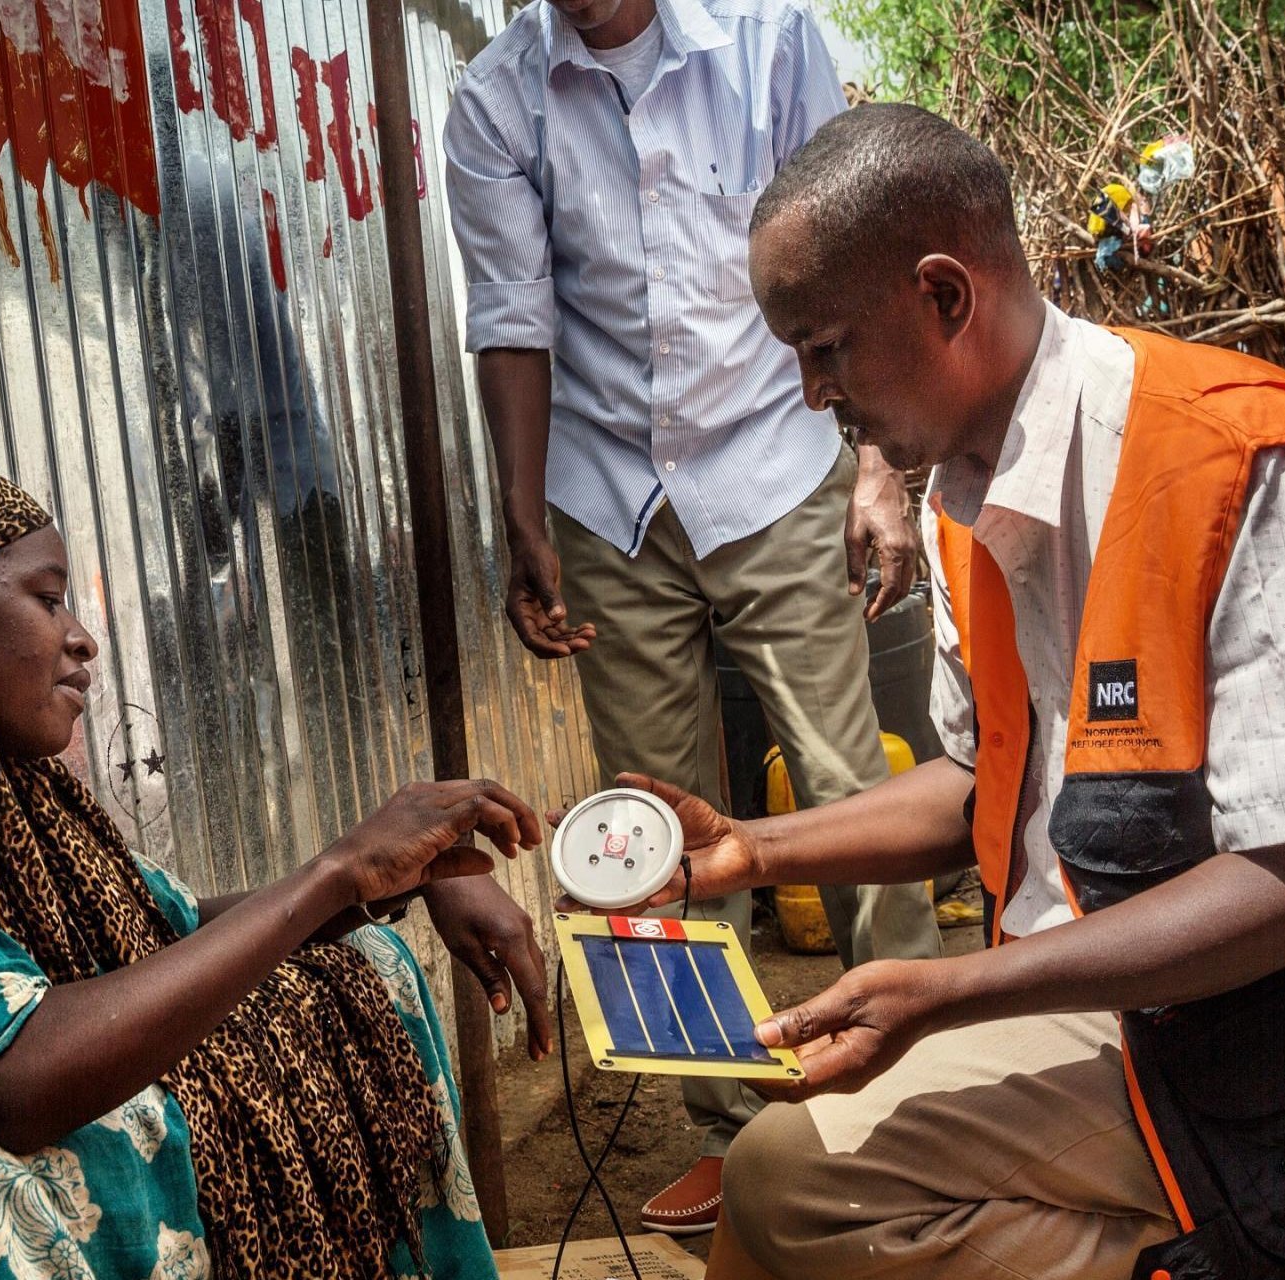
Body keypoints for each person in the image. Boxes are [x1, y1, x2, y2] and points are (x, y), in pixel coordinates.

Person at [586, 105, 1285, 1280]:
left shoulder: (1251, 466)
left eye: (825, 348)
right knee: (787, 1179)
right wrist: (752, 850)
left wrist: (951, 990)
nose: (813, 392)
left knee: (790, 1182)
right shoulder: (961, 498)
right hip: (1126, 998)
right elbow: (984, 786)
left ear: (944, 296)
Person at [0, 459, 554, 1280]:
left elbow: (170, 927)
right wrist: (341, 870)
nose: (82, 637)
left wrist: (403, 877)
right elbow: (14, 1078)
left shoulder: (13, 790)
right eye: (47, 599)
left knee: (361, 960)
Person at [441, 0, 941, 1232]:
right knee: (647, 832)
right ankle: (734, 1131)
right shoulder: (495, 99)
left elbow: (858, 259)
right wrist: (522, 515)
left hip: (774, 461)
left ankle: (916, 1100)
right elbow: (511, 314)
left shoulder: (768, 37)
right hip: (606, 491)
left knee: (843, 783)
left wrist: (878, 466)